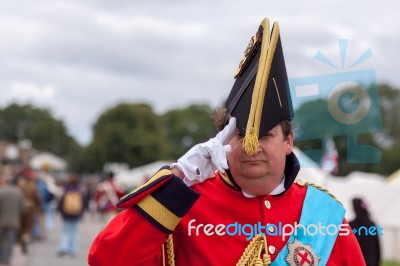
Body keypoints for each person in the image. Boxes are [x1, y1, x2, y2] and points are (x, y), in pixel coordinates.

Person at [88, 17, 365, 265]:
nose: (251, 146)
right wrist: (178, 179)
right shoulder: (183, 203)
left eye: (265, 134)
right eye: (240, 134)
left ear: (289, 141)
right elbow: (107, 259)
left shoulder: (323, 213)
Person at [0, 166, 25, 266]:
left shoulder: (2, 192)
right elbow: (23, 209)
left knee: (1, 240)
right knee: (10, 242)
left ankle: (1, 257)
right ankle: (7, 259)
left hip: (1, 220)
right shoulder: (19, 194)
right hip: (13, 221)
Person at [57, 173, 85, 258]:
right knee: (74, 232)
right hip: (76, 214)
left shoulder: (66, 190)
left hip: (66, 214)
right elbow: (83, 203)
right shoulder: (80, 191)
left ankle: (63, 247)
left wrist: (60, 211)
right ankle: (73, 250)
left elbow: (61, 202)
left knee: (65, 231)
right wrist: (81, 213)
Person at [349, 197, 381, 266]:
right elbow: (377, 247)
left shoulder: (351, 225)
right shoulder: (371, 224)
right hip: (371, 261)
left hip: (357, 261)